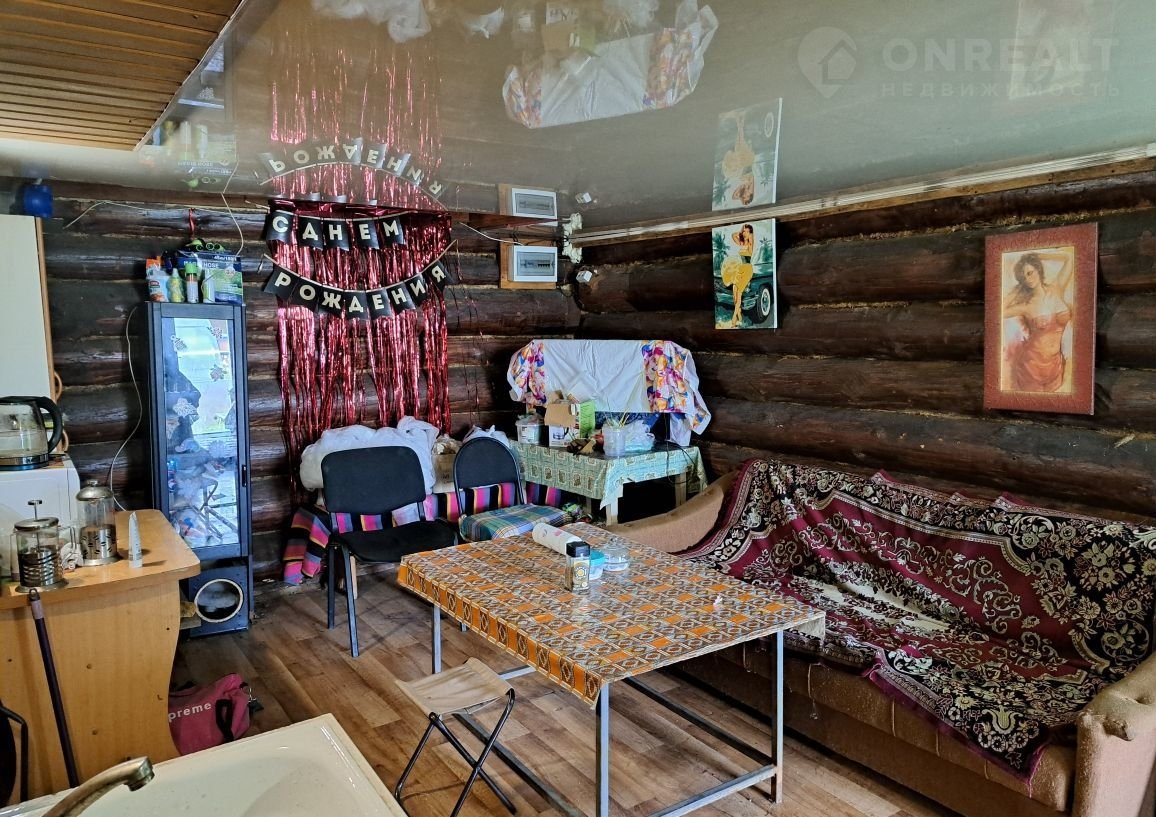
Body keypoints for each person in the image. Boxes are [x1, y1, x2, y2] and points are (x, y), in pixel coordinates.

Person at [1001, 250, 1075, 393]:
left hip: (1055, 364)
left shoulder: (1057, 289)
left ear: (1038, 270)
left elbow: (1069, 257)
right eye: (1023, 277)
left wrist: (1038, 256)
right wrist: (1017, 289)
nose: (1028, 279)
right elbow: (998, 310)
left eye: (1030, 273)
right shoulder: (1026, 306)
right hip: (1031, 365)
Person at [719, 224, 755, 328]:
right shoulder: (742, 243)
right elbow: (733, 235)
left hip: (747, 269)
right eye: (744, 231)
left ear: (750, 233)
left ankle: (734, 319)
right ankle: (740, 317)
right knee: (734, 295)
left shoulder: (750, 244)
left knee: (738, 294)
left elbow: (751, 239)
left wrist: (749, 235)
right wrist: (741, 232)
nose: (745, 233)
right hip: (740, 269)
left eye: (747, 231)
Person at [720, 111, 755, 206]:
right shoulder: (750, 190)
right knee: (741, 141)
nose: (744, 195)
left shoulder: (743, 189)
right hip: (745, 164)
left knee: (738, 142)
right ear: (750, 196)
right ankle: (739, 120)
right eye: (746, 196)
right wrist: (746, 184)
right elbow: (751, 176)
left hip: (742, 167)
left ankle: (740, 121)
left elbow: (734, 197)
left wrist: (740, 197)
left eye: (744, 197)